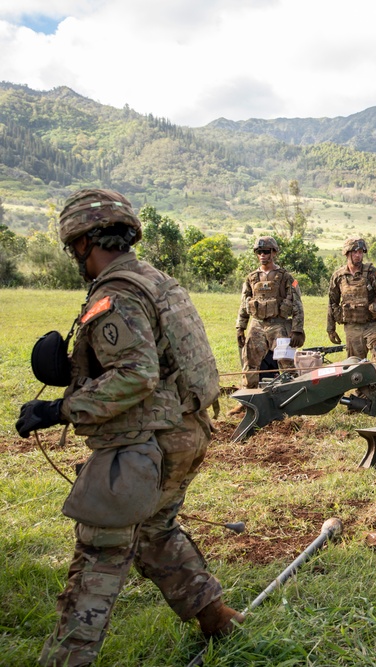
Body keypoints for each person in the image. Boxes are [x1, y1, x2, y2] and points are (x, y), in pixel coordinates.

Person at [15, 188, 242, 667]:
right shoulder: (158, 281)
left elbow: (137, 374)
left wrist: (60, 409)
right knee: (155, 532)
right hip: (187, 434)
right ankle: (216, 617)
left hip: (144, 446)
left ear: (82, 243)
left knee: (99, 555)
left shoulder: (115, 294)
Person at [234, 236, 305, 396]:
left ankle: (293, 398)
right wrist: (240, 327)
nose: (262, 255)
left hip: (279, 325)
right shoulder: (251, 278)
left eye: (266, 251)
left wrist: (297, 329)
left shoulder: (286, 277)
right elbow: (244, 303)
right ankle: (248, 397)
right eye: (259, 252)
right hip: (257, 324)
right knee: (250, 362)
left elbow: (297, 304)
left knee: (286, 364)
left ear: (273, 252)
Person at [327, 237, 376, 368]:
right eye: (354, 252)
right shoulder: (338, 276)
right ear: (347, 253)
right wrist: (331, 329)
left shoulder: (372, 272)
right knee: (354, 364)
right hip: (352, 326)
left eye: (361, 252)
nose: (358, 255)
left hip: (373, 325)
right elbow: (332, 302)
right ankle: (360, 389)